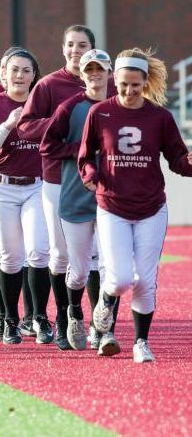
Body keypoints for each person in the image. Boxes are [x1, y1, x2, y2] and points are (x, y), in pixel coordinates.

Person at [78, 48, 192, 363]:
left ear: (145, 83)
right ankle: (104, 302)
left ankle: (141, 342)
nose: (129, 92)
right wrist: (90, 174)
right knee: (119, 280)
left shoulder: (160, 117)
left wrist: (190, 162)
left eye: (136, 86)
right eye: (124, 85)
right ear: (115, 80)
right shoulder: (99, 113)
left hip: (151, 208)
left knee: (145, 279)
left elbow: (178, 160)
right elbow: (85, 156)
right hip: (112, 205)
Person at [17, 25, 110, 350]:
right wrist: (67, 127)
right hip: (58, 180)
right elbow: (26, 126)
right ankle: (63, 318)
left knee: (100, 256)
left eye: (82, 45)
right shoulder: (49, 86)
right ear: (63, 49)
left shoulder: (109, 87)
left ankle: (101, 326)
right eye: (70, 44)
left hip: (104, 183)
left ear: (93, 49)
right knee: (60, 255)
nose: (75, 50)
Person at [40, 49, 120, 355]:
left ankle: (104, 330)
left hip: (112, 199)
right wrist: (84, 149)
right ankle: (73, 313)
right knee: (79, 271)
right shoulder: (70, 107)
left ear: (109, 72)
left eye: (100, 69)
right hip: (75, 197)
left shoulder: (119, 106)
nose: (95, 74)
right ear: (82, 74)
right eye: (90, 69)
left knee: (110, 266)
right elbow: (48, 147)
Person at [0, 48, 50, 345]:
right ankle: (9, 319)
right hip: (2, 186)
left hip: (37, 185)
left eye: (26, 71)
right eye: (14, 70)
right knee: (9, 257)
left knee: (39, 251)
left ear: (34, 76)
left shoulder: (43, 102)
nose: (20, 76)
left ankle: (40, 317)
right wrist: (8, 124)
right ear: (3, 73)